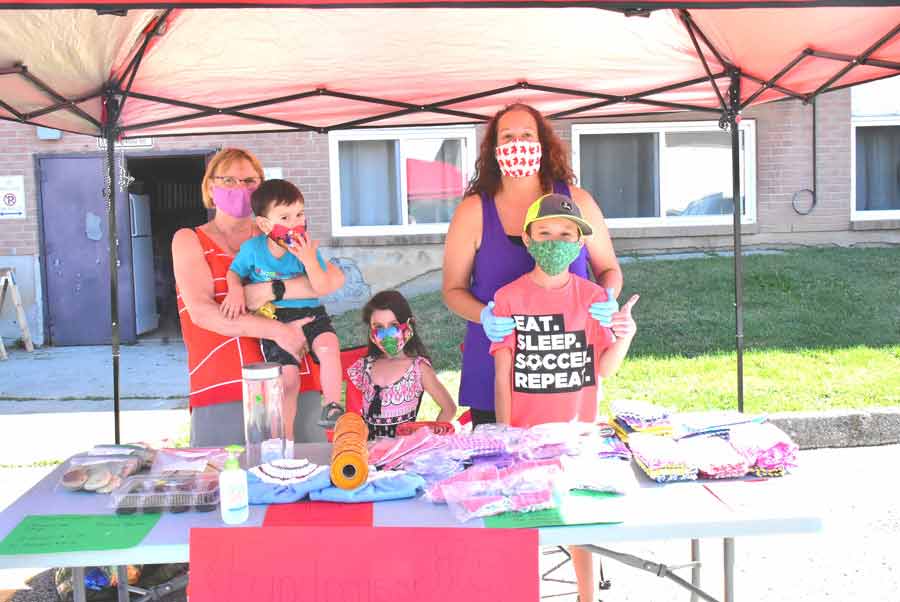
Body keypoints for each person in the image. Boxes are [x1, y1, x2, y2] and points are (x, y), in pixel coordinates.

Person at [489, 193, 639, 602]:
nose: (555, 240)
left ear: (579, 243)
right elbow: (503, 372)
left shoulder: (592, 298)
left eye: (566, 234)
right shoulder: (508, 298)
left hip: (578, 434)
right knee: (523, 521)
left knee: (579, 525)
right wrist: (505, 434)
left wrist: (625, 337)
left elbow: (605, 368)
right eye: (546, 232)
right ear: (528, 237)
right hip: (524, 433)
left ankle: (586, 596)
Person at [442, 103, 624, 427]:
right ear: (494, 149)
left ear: (542, 144)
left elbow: (609, 269)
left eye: (526, 134)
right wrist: (484, 316)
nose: (517, 143)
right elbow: (452, 290)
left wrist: (607, 300)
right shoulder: (473, 211)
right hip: (495, 364)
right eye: (507, 137)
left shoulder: (578, 202)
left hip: (565, 375)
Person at [172, 148, 343, 447]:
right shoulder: (189, 239)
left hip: (294, 378)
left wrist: (268, 290)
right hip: (222, 384)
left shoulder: (280, 232)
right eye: (229, 180)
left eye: (250, 181)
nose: (240, 189)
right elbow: (202, 312)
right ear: (210, 187)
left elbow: (330, 281)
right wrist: (277, 330)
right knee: (228, 482)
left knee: (302, 474)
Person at [222, 178, 346, 434]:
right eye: (286, 217)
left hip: (311, 313)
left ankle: (333, 404)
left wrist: (310, 260)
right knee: (288, 380)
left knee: (329, 347)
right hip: (275, 319)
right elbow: (234, 273)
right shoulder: (253, 250)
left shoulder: (306, 250)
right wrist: (235, 292)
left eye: (299, 214)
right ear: (265, 224)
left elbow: (322, 286)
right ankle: (284, 435)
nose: (296, 224)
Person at [347, 290, 457, 438]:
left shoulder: (418, 369)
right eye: (378, 327)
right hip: (370, 455)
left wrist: (427, 440)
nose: (386, 334)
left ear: (409, 326)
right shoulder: (363, 367)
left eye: (393, 325)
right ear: (371, 332)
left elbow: (449, 408)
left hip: (403, 455)